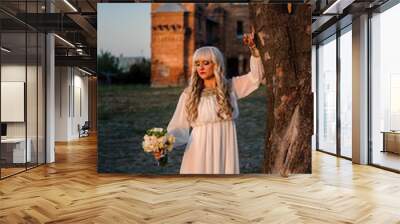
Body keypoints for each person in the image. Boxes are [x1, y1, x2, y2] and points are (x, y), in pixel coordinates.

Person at [166, 31, 265, 174]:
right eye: (197, 64)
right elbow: (178, 126)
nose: (201, 68)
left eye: (206, 63)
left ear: (216, 64)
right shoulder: (189, 94)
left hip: (225, 145)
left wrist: (254, 51)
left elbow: (256, 78)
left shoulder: (230, 87)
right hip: (199, 149)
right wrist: (163, 144)